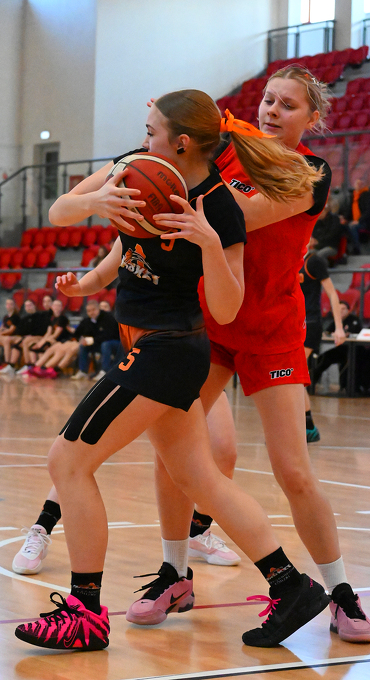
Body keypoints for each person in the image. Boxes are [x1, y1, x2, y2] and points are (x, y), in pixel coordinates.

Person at [14, 89, 329, 652]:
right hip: (147, 341)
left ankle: (85, 614)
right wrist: (96, 203)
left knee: (68, 460)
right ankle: (292, 585)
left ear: (181, 141)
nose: (143, 138)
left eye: (152, 130)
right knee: (200, 479)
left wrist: (208, 244)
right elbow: (60, 211)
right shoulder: (136, 170)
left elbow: (227, 309)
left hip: (169, 348)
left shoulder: (218, 208)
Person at [146, 67, 370, 644]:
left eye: (287, 105)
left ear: (312, 119)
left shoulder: (310, 172)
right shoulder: (225, 150)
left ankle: (341, 593)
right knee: (172, 446)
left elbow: (239, 215)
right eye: (267, 100)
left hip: (272, 329)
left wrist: (213, 150)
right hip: (210, 321)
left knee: (293, 471)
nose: (271, 110)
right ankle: (174, 573)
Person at [300, 241, 345, 441]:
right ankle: (306, 426)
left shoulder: (314, 261)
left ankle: (307, 427)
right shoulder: (289, 261)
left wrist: (338, 327)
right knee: (293, 378)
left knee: (292, 376)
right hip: (293, 324)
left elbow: (332, 294)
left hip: (311, 324)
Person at [313, 300, 362, 391]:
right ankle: (311, 384)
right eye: (338, 309)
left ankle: (347, 389)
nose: (341, 311)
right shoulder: (337, 321)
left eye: (343, 309)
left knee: (348, 364)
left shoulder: (354, 320)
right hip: (341, 350)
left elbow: (354, 333)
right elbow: (327, 332)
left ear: (348, 310)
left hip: (355, 351)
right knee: (323, 358)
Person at [17, 299, 73, 375]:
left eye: (58, 306)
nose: (56, 307)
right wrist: (42, 341)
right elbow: (48, 332)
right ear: (52, 307)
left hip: (60, 340)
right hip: (51, 339)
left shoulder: (62, 318)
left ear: (62, 308)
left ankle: (42, 368)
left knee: (42, 346)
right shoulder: (52, 319)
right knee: (34, 347)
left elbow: (56, 335)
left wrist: (42, 342)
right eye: (55, 305)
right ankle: (32, 367)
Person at [69, 299, 121, 380]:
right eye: (89, 311)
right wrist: (81, 339)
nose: (91, 312)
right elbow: (76, 333)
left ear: (98, 309)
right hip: (99, 344)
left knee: (105, 344)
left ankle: (104, 371)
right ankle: (83, 371)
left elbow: (109, 335)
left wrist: (92, 340)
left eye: (93, 310)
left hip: (114, 344)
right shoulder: (87, 321)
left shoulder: (108, 317)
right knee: (83, 346)